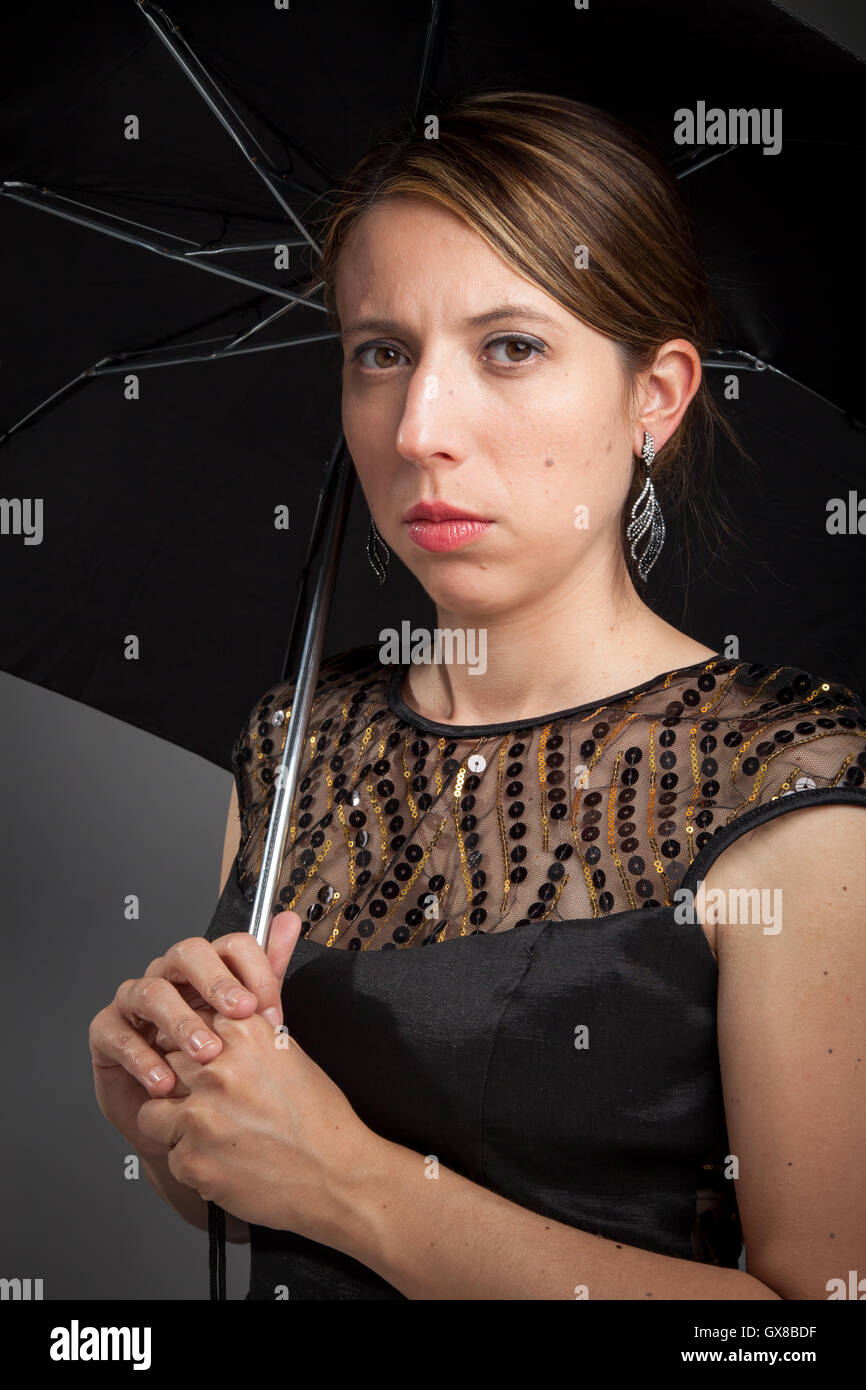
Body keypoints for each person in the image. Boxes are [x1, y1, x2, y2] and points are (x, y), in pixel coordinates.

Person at [89, 91, 866, 1301]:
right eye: (379, 352)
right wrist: (171, 1114)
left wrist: (359, 1184)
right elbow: (249, 1190)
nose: (418, 427)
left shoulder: (787, 791)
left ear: (652, 395)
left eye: (509, 346)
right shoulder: (296, 741)